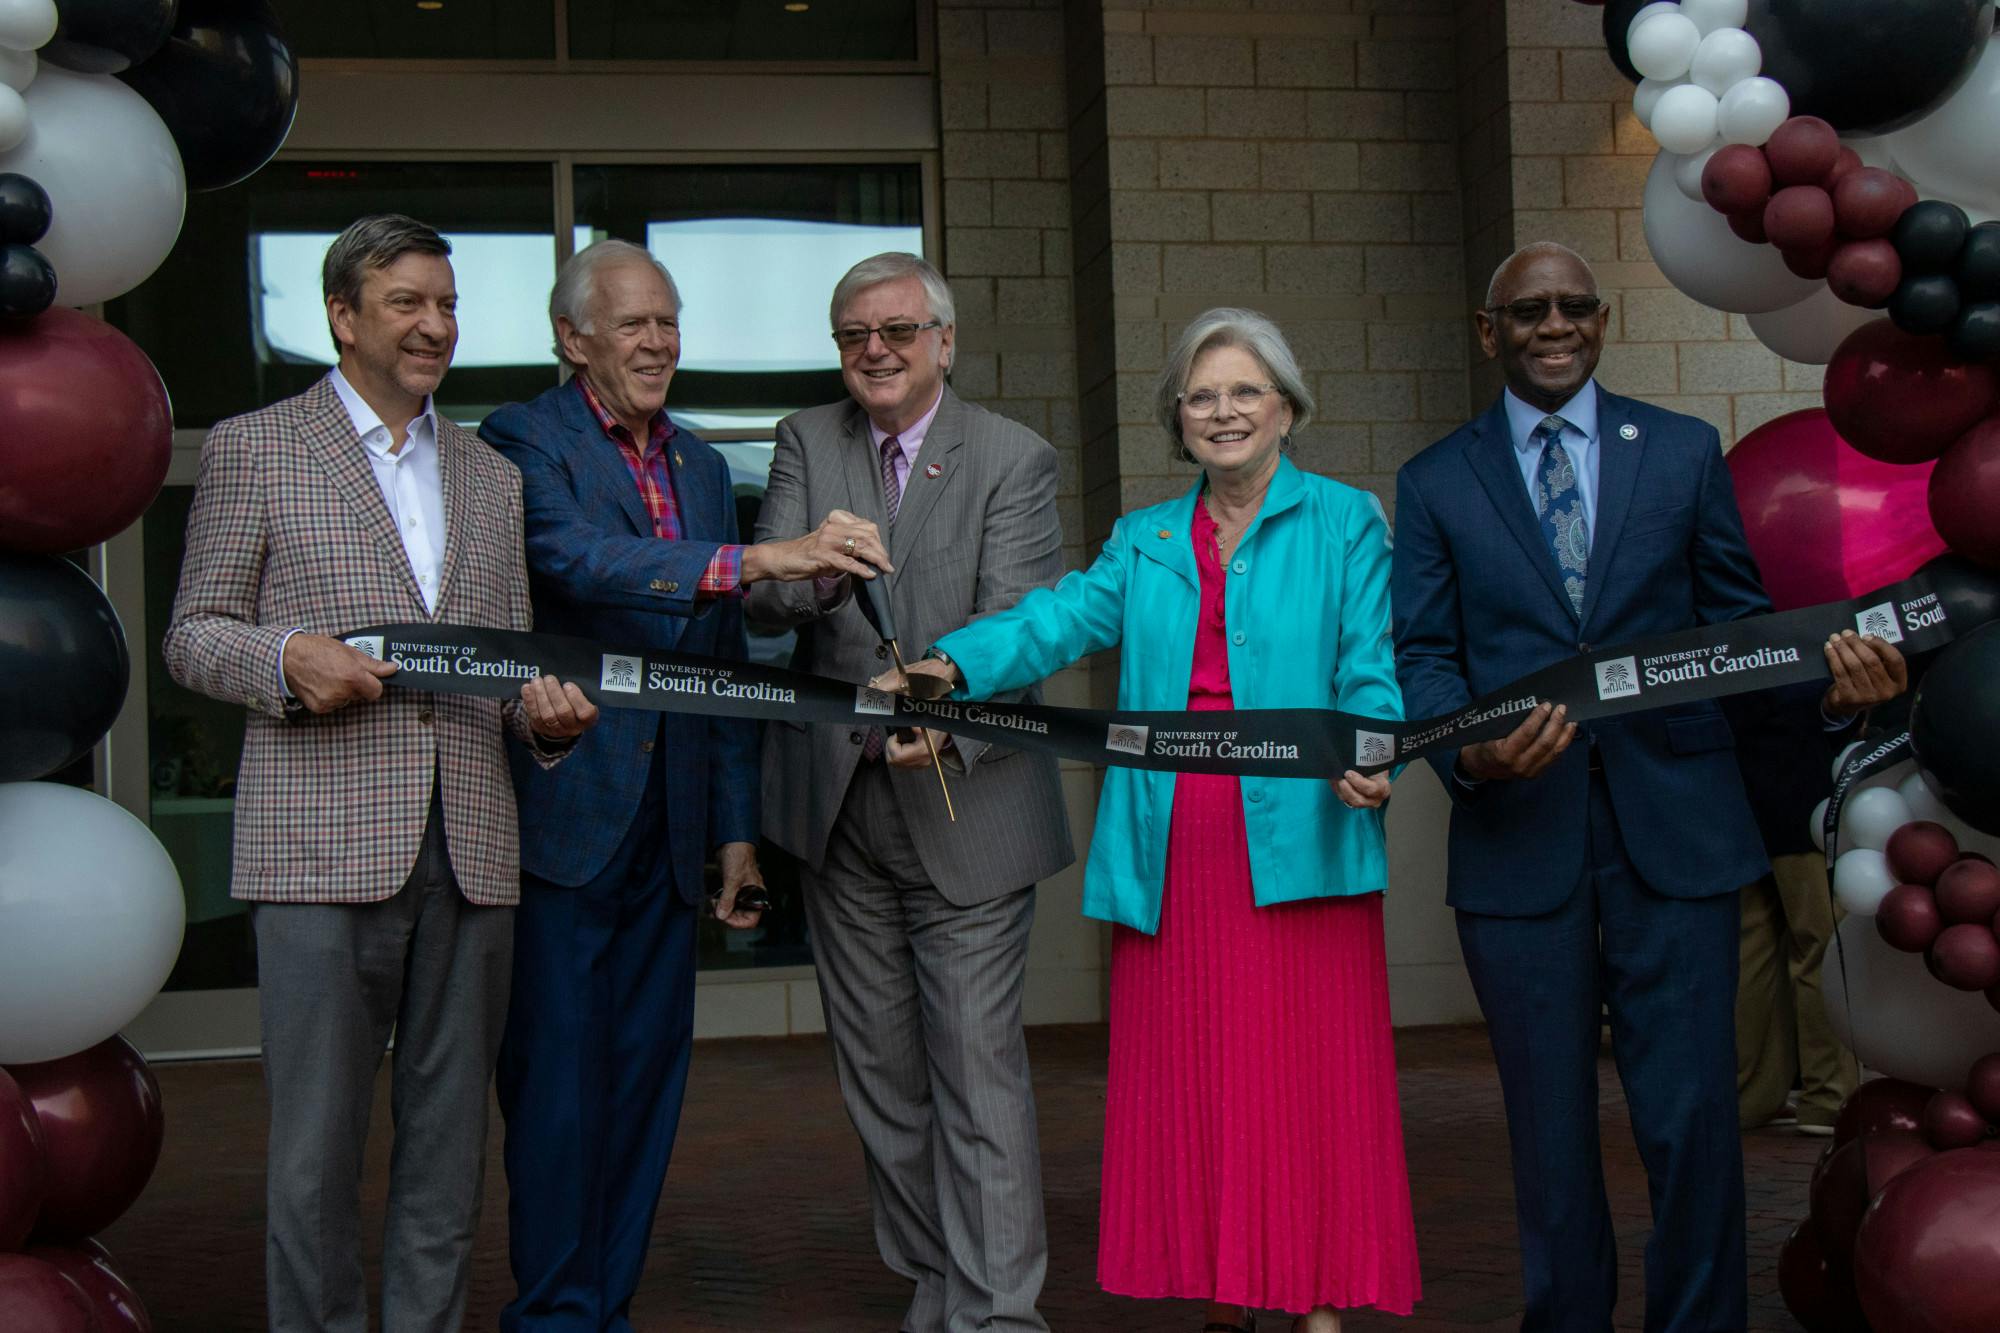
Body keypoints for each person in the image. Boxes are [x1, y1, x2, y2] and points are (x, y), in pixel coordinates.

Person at [1389, 240, 1907, 1332]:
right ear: (1490, 331)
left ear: (1601, 320)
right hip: (1515, 849)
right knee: (1547, 1129)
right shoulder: (1436, 480)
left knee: (1689, 1122)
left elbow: (1733, 635)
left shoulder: (1678, 451)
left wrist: (1829, 696)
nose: (1553, 325)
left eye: (1574, 305)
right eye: (1526, 309)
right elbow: (1424, 654)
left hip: (1673, 838)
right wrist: (1464, 750)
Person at [884, 307, 1420, 1333]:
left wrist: (1367, 746)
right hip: (1172, 852)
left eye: (1242, 392)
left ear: (1285, 408)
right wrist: (952, 664)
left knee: (1303, 1082)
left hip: (1302, 835)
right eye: (1200, 395)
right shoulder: (1145, 539)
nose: (1221, 412)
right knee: (1205, 1086)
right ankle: (1227, 1291)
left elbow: (1366, 659)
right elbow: (1058, 617)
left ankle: (1311, 1299)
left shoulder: (1345, 519)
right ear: (1176, 419)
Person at [162, 213, 600, 1333]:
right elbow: (193, 632)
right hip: (318, 848)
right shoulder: (258, 446)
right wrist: (284, 658)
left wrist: (545, 722)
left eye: (447, 304)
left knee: (449, 1155)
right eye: (407, 301)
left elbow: (503, 665)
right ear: (342, 316)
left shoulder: (491, 476)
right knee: (313, 1157)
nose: (435, 325)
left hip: (472, 848)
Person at [478, 238, 881, 1332]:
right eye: (631, 323)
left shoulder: (701, 465)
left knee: (646, 1091)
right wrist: (753, 560)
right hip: (566, 817)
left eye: (668, 321)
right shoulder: (526, 439)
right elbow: (571, 558)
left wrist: (736, 830)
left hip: (671, 830)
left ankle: (604, 1306)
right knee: (558, 1091)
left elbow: (717, 668)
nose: (657, 342)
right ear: (573, 339)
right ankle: (555, 1313)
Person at [745, 251, 1074, 1333]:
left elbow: (1017, 626)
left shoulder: (1013, 459)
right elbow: (769, 600)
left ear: (943, 340)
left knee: (976, 1079)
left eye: (895, 330)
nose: (874, 351)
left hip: (964, 808)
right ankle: (938, 1288)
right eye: (852, 336)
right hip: (839, 815)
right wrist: (817, 568)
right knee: (882, 1084)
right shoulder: (806, 440)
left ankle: (1000, 1314)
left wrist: (938, 721)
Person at [1731, 708, 1858, 1136]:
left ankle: (1750, 1096)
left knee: (1753, 947)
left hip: (1742, 789)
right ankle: (1828, 1097)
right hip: (1803, 789)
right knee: (1823, 945)